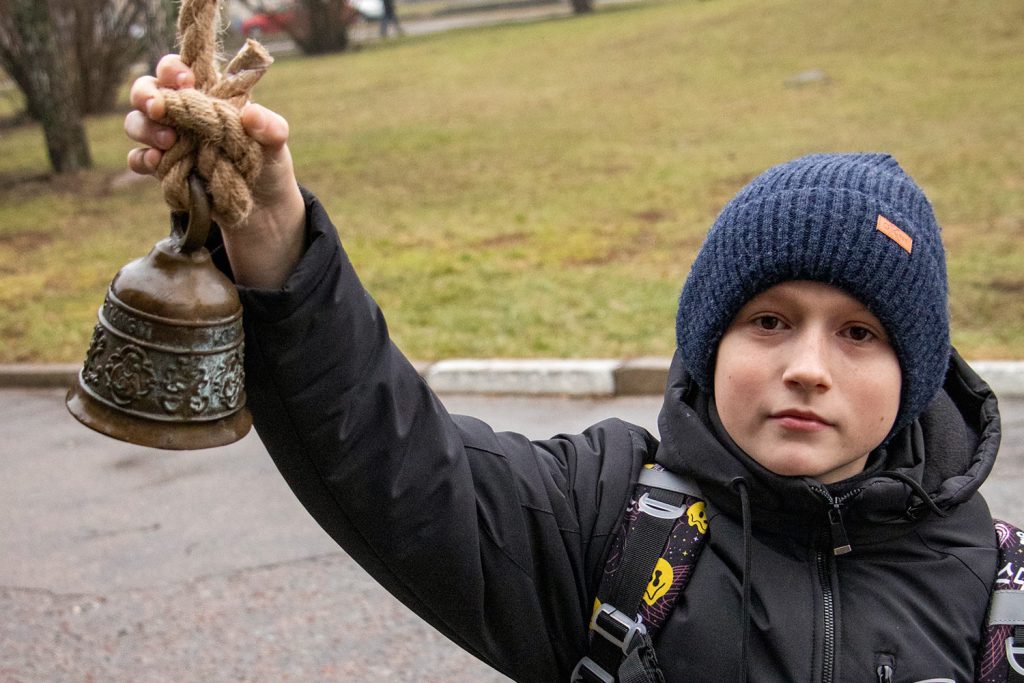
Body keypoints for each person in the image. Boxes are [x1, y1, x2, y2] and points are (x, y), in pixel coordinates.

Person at [125, 55, 1006, 682]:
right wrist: (272, 229)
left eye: (859, 334)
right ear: (708, 343)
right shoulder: (613, 516)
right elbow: (396, 463)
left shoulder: (990, 591)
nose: (808, 367)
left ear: (917, 369)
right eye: (768, 320)